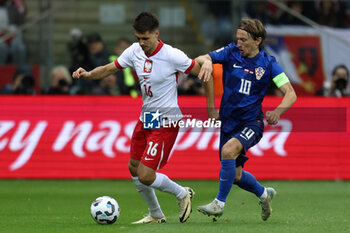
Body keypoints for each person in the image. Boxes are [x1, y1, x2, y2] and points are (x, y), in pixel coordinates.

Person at [73, 12, 208, 224]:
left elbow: (204, 73)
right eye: (138, 38)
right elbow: (109, 68)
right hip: (148, 116)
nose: (141, 42)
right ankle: (155, 214)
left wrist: (210, 105)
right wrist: (89, 74)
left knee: (146, 174)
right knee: (134, 167)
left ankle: (182, 193)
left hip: (167, 119)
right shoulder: (135, 51)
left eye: (145, 38)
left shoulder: (173, 55)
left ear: (156, 33)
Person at [195, 18, 297, 221]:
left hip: (252, 123)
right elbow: (200, 58)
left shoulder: (269, 64)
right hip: (228, 123)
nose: (239, 43)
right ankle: (263, 194)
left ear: (258, 40)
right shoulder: (231, 52)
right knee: (236, 175)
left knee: (228, 151)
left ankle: (219, 203)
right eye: (238, 39)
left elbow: (290, 94)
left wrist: (277, 112)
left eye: (244, 40)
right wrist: (207, 61)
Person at [0, 0, 27, 65]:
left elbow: (20, 22)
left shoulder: (12, 7)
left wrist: (10, 30)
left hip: (10, 36)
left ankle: (18, 70)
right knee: (2, 48)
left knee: (20, 48)